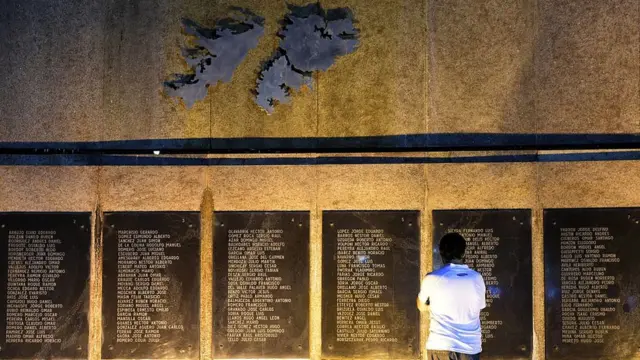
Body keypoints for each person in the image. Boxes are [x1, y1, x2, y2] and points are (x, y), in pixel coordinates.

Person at [417, 232, 486, 360]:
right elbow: (479, 307)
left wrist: (431, 307)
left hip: (441, 345)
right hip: (470, 348)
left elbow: (421, 306)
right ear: (463, 253)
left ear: (441, 253)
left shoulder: (432, 278)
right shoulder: (477, 278)